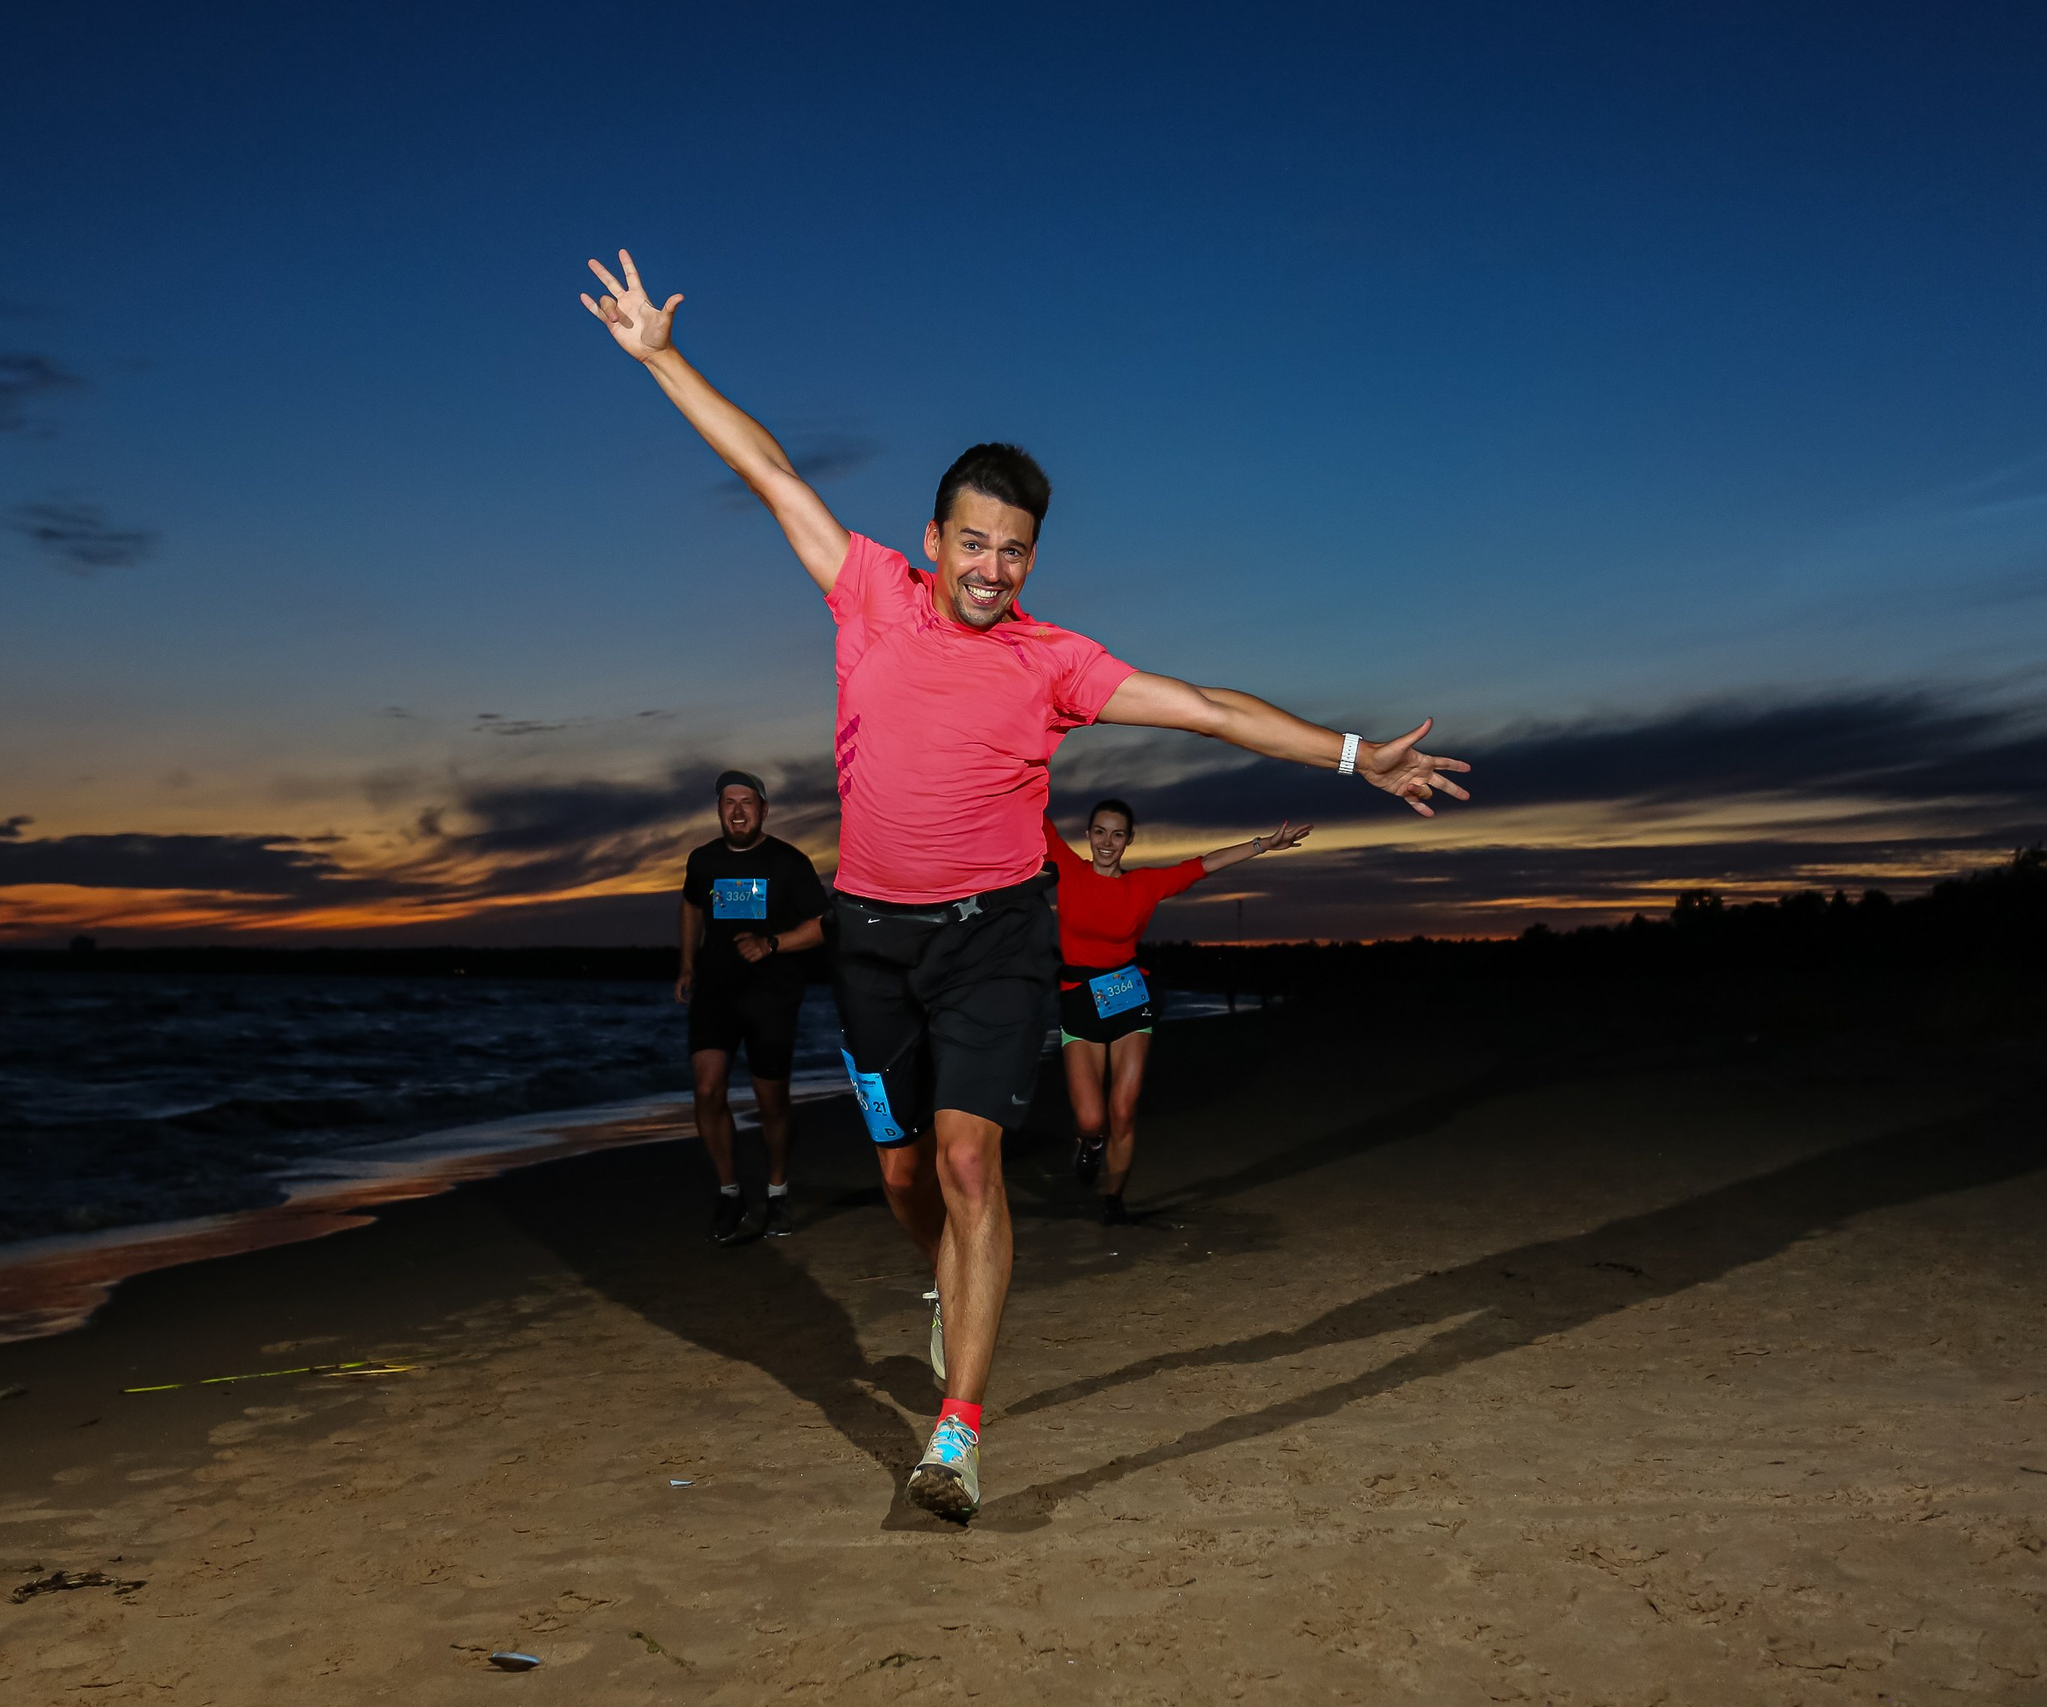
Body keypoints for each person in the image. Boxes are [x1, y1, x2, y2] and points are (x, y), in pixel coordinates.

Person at [581, 249, 1472, 1521]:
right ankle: (947, 1288)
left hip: (996, 938)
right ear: (933, 540)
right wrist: (663, 358)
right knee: (905, 1182)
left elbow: (1205, 707)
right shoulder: (868, 594)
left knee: (967, 1166)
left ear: (1032, 561)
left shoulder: (1056, 663)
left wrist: (1351, 754)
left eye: (1015, 551)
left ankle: (956, 1435)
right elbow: (770, 470)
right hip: (871, 941)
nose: (993, 569)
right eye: (974, 544)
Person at [1046, 800, 1310, 1224]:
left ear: (1129, 840)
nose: (1107, 842)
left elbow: (1202, 865)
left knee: (1123, 1112)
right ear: (1088, 834)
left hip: (1128, 998)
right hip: (1078, 999)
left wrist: (1263, 844)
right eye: (1099, 831)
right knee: (1092, 1119)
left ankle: (1113, 1200)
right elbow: (1031, 812)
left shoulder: (1145, 885)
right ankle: (1092, 1143)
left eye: (1117, 834)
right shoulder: (1068, 869)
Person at [677, 770, 829, 1244]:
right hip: (716, 992)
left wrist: (771, 943)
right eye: (729, 802)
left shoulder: (789, 863)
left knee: (771, 1103)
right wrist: (687, 963)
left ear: (763, 810)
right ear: (719, 810)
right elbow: (691, 905)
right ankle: (730, 1192)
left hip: (772, 995)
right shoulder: (703, 860)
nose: (738, 811)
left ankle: (777, 1191)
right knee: (707, 1089)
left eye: (747, 802)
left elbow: (824, 925)